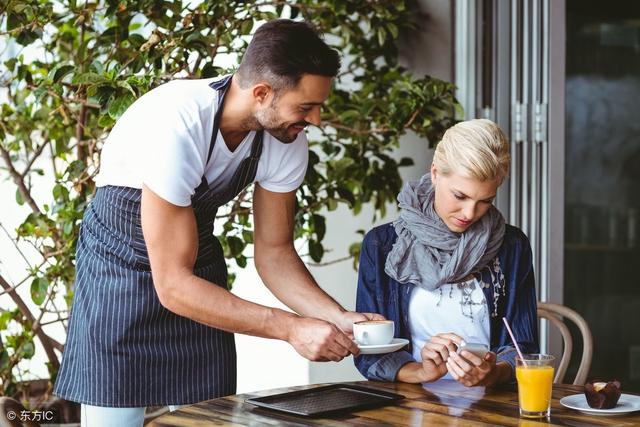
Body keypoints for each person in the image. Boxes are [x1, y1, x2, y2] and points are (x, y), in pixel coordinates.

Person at [54, 19, 381, 426]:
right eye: (305, 107)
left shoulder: (285, 138)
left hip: (196, 269)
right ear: (261, 93)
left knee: (208, 418)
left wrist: (338, 317)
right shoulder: (176, 123)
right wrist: (291, 329)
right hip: (118, 270)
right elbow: (172, 286)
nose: (314, 120)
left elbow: (274, 253)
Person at [354, 119, 539, 386]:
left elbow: (523, 348)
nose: (470, 214)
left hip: (490, 404)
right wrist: (420, 371)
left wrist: (493, 373)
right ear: (435, 173)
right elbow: (369, 355)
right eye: (460, 196)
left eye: (485, 200)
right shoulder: (382, 246)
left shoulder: (511, 246)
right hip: (408, 402)